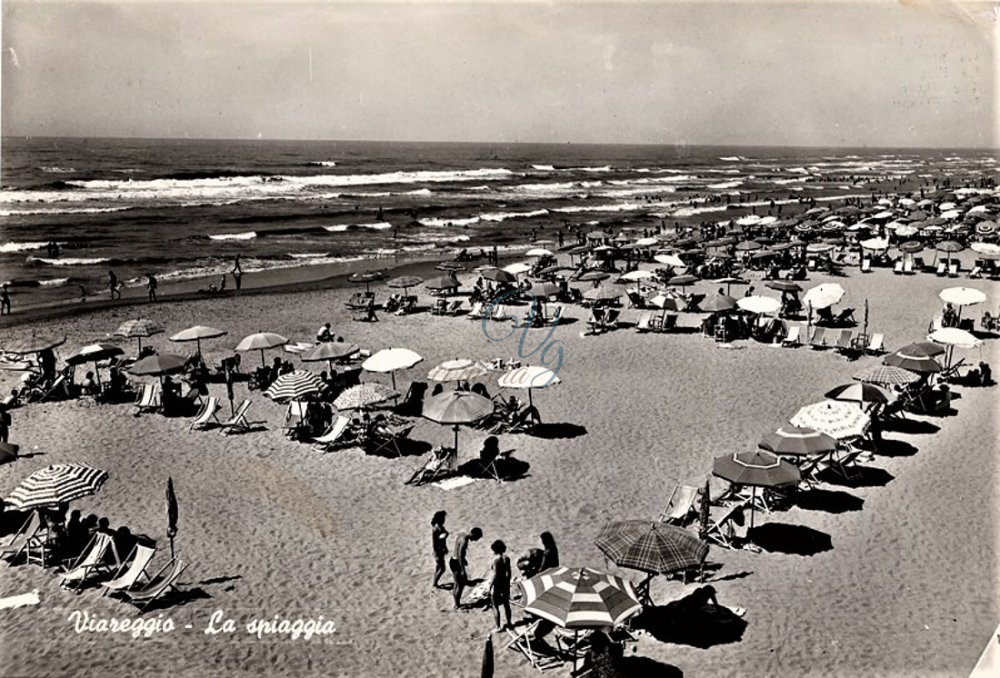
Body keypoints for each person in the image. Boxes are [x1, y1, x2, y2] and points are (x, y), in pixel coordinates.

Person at [449, 526, 482, 609]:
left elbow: (457, 551)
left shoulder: (462, 535)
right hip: (457, 563)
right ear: (473, 535)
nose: (475, 540)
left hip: (453, 560)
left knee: (457, 584)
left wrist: (463, 559)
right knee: (459, 585)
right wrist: (463, 569)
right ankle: (457, 605)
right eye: (476, 538)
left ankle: (456, 603)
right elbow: (460, 555)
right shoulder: (464, 541)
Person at [488, 540, 512, 632]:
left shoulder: (495, 560)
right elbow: (509, 573)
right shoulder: (507, 558)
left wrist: (490, 586)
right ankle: (509, 623)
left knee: (495, 606)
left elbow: (495, 574)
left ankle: (498, 627)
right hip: (505, 583)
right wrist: (507, 582)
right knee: (506, 604)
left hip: (497, 584)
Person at [431, 510, 449, 589]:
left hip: (440, 550)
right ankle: (435, 583)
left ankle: (435, 581)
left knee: (438, 567)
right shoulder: (437, 528)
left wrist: (445, 547)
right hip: (438, 551)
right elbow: (436, 541)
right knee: (442, 568)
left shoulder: (439, 527)